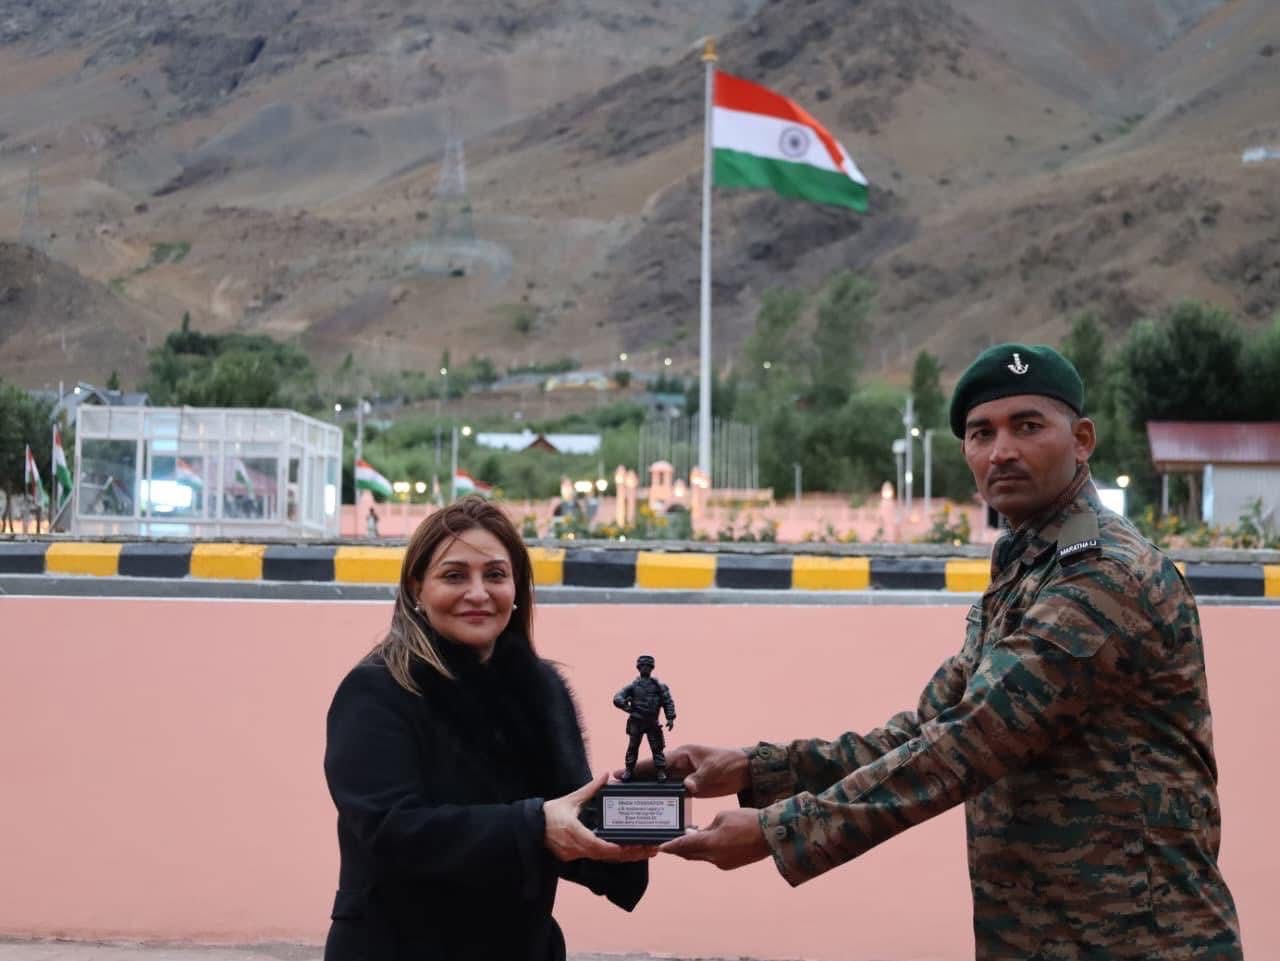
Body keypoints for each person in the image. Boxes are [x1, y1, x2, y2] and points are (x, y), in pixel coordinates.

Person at [651, 344, 1242, 960]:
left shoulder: (1102, 575)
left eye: (1027, 426)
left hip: (1142, 941)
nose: (1002, 451)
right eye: (982, 433)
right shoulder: (1029, 565)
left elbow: (973, 740)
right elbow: (927, 728)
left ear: (1082, 440)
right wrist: (757, 769)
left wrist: (780, 831)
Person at [324, 496, 652, 961]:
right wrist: (534, 827)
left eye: (495, 575)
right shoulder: (378, 690)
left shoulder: (541, 690)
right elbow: (388, 828)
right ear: (417, 587)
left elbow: (564, 816)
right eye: (454, 576)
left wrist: (633, 822)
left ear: (516, 589)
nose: (478, 593)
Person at [613, 655, 677, 782]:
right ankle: (629, 770)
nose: (645, 668)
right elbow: (617, 697)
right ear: (639, 668)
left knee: (657, 748)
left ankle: (660, 771)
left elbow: (668, 702)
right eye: (643, 666)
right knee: (633, 747)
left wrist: (670, 717)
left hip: (652, 722)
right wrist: (625, 705)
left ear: (652, 668)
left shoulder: (659, 687)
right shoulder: (632, 687)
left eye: (648, 666)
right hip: (636, 722)